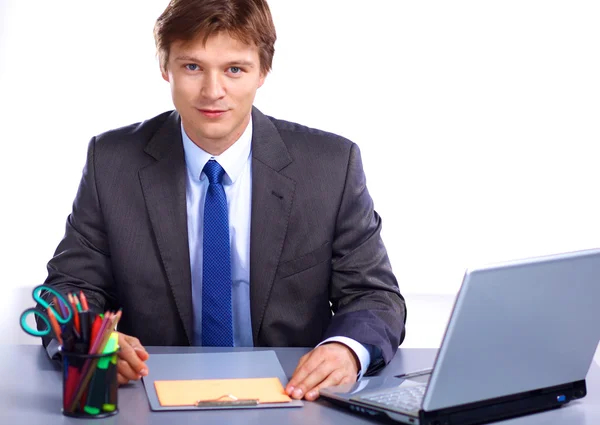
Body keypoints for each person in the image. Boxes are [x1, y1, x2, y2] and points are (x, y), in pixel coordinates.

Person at [39, 0, 406, 401]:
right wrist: (91, 342)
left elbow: (374, 297)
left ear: (263, 71)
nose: (213, 92)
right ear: (166, 68)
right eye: (192, 67)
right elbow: (68, 290)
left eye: (235, 69)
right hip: (144, 395)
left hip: (295, 399)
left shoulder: (331, 167)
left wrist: (346, 351)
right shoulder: (111, 161)